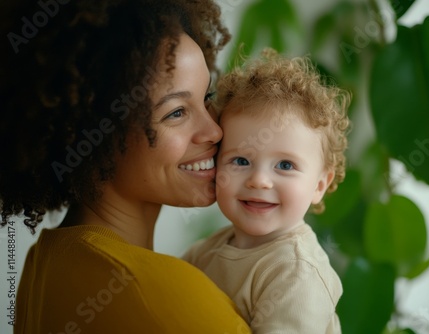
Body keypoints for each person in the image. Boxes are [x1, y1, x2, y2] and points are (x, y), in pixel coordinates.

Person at [0, 1, 251, 333]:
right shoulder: (163, 296)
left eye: (207, 96)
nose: (214, 131)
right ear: (93, 131)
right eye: (176, 112)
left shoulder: (44, 265)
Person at [183, 49, 351, 333]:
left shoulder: (297, 273)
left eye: (285, 164)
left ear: (319, 185)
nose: (259, 181)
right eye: (240, 160)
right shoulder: (210, 249)